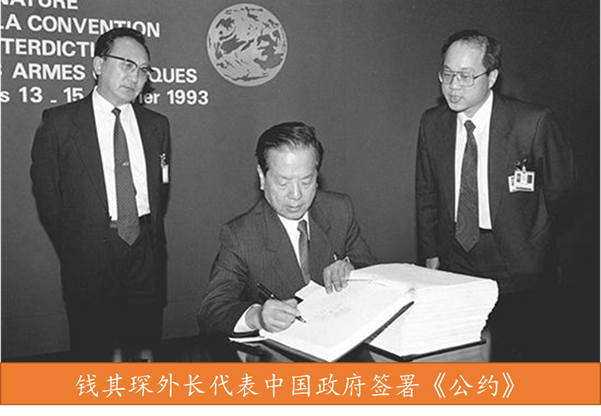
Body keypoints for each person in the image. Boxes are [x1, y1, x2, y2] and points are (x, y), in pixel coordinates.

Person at [415, 29, 577, 361]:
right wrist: (430, 251)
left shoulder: (532, 123)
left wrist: (532, 233)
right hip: (456, 256)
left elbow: (563, 189)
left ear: (491, 77)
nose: (453, 86)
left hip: (517, 258)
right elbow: (426, 192)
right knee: (465, 355)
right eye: (447, 74)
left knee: (521, 355)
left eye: (465, 76)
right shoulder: (432, 123)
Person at [30, 28, 171, 362]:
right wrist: (79, 244)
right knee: (92, 356)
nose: (135, 76)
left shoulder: (158, 125)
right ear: (97, 65)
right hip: (90, 256)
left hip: (145, 252)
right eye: (127, 64)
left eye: (143, 70)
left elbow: (161, 189)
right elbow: (48, 197)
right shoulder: (60, 123)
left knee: (143, 356)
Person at [198, 122, 377, 336]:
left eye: (306, 181)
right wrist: (257, 317)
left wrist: (351, 270)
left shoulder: (339, 209)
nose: (296, 195)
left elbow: (374, 271)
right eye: (283, 183)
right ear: (262, 177)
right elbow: (212, 311)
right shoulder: (240, 236)